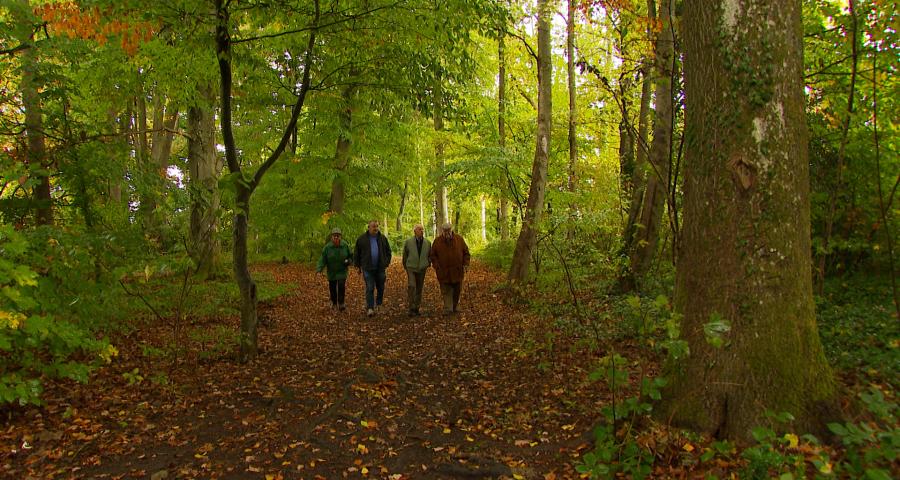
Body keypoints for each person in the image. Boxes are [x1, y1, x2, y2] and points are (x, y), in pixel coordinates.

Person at [429, 222, 470, 315]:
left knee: (457, 289)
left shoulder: (459, 239)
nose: (447, 233)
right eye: (445, 231)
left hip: (457, 270)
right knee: (446, 290)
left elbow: (466, 252)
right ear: (442, 231)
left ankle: (455, 306)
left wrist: (466, 264)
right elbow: (432, 255)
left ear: (451, 230)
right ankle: (448, 308)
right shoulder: (437, 241)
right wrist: (436, 266)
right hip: (443, 271)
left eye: (448, 230)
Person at [354, 220, 392, 317]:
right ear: (368, 227)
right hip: (367, 268)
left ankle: (379, 304)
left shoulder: (382, 238)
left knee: (381, 287)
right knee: (370, 287)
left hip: (380, 268)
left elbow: (388, 252)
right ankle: (370, 307)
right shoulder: (362, 239)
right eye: (373, 226)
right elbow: (357, 253)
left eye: (377, 226)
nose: (375, 228)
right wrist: (358, 266)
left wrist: (386, 262)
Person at [316, 228, 353, 311]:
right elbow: (322, 259)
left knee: (341, 285)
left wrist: (349, 261)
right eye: (334, 236)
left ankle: (341, 303)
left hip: (342, 271)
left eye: (338, 236)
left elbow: (351, 255)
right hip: (331, 271)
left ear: (341, 237)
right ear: (331, 237)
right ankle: (334, 303)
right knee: (332, 287)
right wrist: (319, 269)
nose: (336, 238)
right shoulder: (327, 247)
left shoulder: (345, 245)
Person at [402, 224, 431, 317]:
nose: (422, 231)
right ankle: (411, 307)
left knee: (419, 288)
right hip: (411, 267)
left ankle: (417, 308)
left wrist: (428, 263)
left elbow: (430, 255)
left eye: (422, 229)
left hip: (422, 268)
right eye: (419, 229)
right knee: (412, 286)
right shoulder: (408, 242)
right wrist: (405, 265)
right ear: (415, 231)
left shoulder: (427, 243)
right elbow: (405, 254)